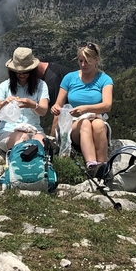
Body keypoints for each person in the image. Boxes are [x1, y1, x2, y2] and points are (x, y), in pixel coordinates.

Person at [51, 42, 113, 176]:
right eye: (81, 61)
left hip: (96, 118)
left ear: (96, 60)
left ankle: (102, 165)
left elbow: (107, 105)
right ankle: (91, 165)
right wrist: (53, 135)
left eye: (87, 62)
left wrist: (85, 109)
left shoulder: (105, 79)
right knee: (85, 123)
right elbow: (58, 105)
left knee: (98, 124)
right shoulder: (69, 78)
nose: (83, 65)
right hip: (75, 123)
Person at [0, 47, 49, 150]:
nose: (21, 75)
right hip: (8, 130)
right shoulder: (4, 86)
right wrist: (4, 103)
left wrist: (33, 105)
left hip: (34, 129)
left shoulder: (41, 85)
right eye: (18, 72)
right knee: (22, 138)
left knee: (40, 143)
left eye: (25, 72)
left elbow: (43, 111)